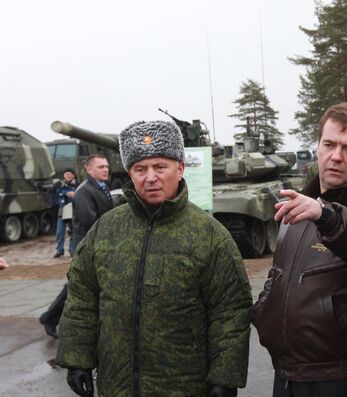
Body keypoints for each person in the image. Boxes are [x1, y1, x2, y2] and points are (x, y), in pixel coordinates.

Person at [57, 120, 252, 397]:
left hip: (184, 386)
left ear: (180, 168)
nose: (151, 177)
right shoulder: (105, 230)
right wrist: (77, 358)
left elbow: (230, 311)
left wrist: (224, 377)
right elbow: (82, 297)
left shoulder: (209, 236)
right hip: (116, 385)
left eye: (160, 167)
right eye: (140, 169)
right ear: (130, 174)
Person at [252, 103, 347, 397]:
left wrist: (326, 215)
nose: (336, 157)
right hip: (285, 372)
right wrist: (264, 309)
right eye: (329, 144)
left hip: (337, 377)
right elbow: (279, 273)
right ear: (317, 146)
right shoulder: (300, 204)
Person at [39, 154, 113, 338]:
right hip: (88, 249)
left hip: (98, 247)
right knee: (76, 287)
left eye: (106, 166)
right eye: (100, 166)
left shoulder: (101, 187)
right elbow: (90, 222)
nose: (105, 169)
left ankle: (51, 317)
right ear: (88, 169)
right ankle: (51, 317)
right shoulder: (84, 191)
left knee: (80, 287)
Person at [53, 168, 79, 258]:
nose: (68, 176)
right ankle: (59, 250)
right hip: (62, 210)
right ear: (64, 175)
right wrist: (65, 193)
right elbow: (53, 196)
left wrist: (74, 193)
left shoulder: (78, 185)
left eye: (70, 174)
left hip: (74, 210)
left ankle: (72, 250)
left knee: (73, 231)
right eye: (67, 174)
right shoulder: (58, 185)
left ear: (73, 175)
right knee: (60, 232)